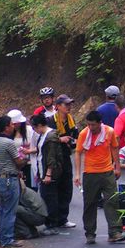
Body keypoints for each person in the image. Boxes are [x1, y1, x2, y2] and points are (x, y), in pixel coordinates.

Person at [74, 111, 125, 244]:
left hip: (107, 171)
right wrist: (78, 174)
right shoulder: (84, 134)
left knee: (112, 200)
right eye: (89, 124)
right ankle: (90, 233)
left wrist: (117, 167)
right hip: (90, 173)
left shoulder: (109, 132)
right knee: (90, 204)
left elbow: (114, 148)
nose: (91, 127)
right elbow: (78, 153)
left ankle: (114, 231)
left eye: (93, 125)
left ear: (100, 123)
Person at [0, 115, 28, 248]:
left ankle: (3, 237)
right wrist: (26, 158)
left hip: (0, 178)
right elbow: (18, 162)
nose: (14, 126)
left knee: (3, 209)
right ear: (6, 127)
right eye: (11, 124)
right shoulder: (9, 143)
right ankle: (7, 239)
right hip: (10, 180)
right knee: (10, 210)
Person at [47, 94, 80, 228]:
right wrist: (61, 139)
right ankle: (52, 219)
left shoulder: (71, 121)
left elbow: (76, 137)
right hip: (54, 157)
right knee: (53, 188)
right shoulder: (50, 121)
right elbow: (45, 138)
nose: (69, 107)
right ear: (58, 106)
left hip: (66, 156)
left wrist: (73, 141)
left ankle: (63, 218)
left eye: (70, 104)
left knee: (66, 187)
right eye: (66, 105)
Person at [31, 113, 63, 235]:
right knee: (46, 196)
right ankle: (49, 223)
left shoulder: (50, 137)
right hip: (42, 171)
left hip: (49, 173)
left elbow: (51, 157)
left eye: (35, 128)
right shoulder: (43, 135)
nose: (35, 131)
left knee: (50, 198)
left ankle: (52, 223)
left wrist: (48, 174)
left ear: (39, 125)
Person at [7, 109, 38, 191]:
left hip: (29, 163)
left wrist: (29, 151)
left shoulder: (30, 130)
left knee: (30, 188)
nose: (13, 126)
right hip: (15, 164)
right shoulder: (9, 133)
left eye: (15, 124)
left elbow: (38, 146)